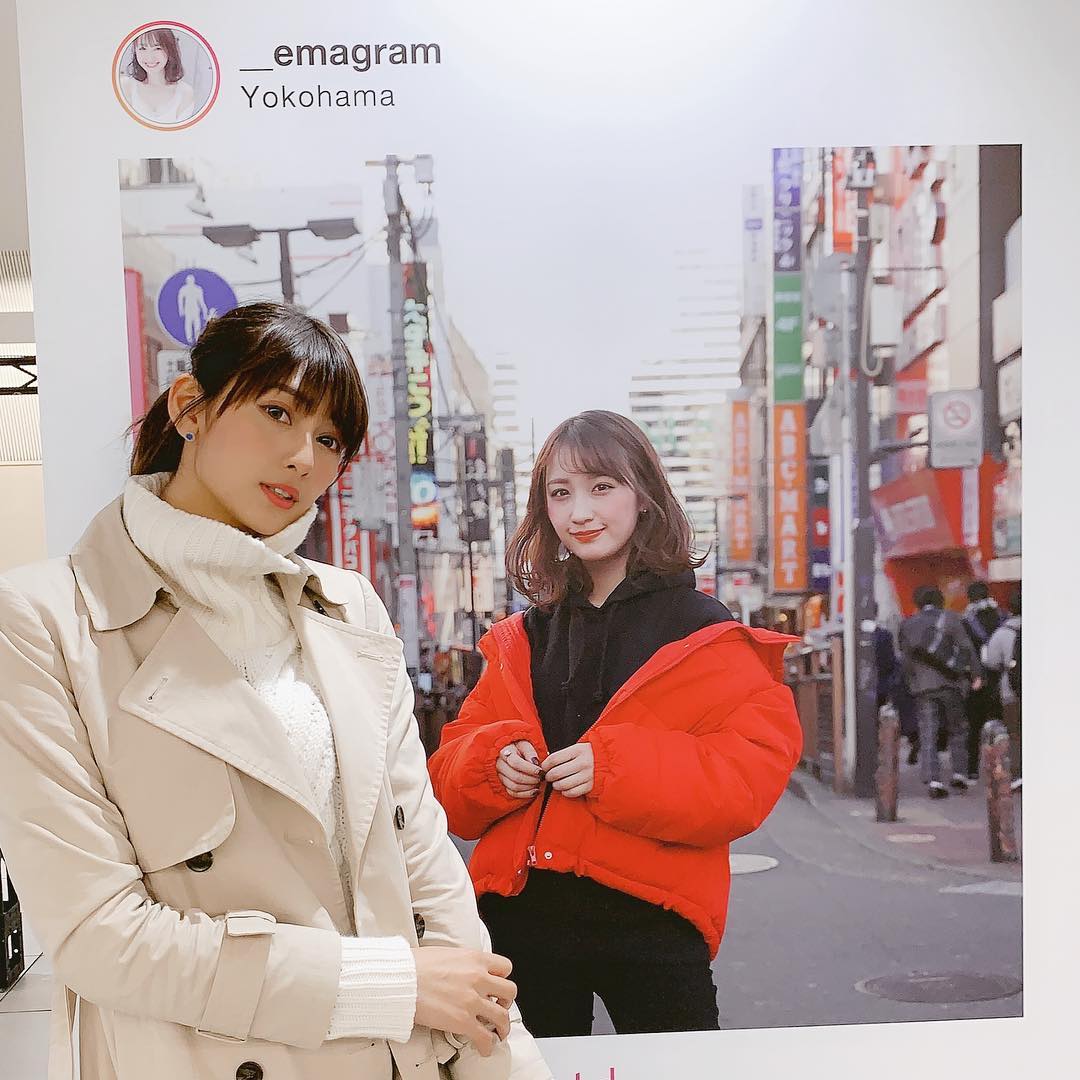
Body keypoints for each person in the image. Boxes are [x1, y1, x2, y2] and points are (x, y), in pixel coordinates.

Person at [0, 303, 550, 1080]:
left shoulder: (347, 607)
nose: (302, 458)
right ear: (189, 406)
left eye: (329, 439)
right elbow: (99, 935)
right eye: (278, 412)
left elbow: (425, 869)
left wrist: (503, 1057)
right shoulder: (45, 620)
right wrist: (388, 987)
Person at [428, 410, 803, 1038]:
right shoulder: (522, 637)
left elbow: (748, 775)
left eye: (602, 487)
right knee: (523, 1074)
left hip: (654, 919)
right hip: (521, 916)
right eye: (560, 492)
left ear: (644, 495)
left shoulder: (704, 632)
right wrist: (493, 766)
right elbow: (447, 776)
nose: (580, 511)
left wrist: (613, 769)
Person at [898, 585, 982, 799]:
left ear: (918, 603)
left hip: (923, 686)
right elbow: (966, 648)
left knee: (928, 732)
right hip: (951, 683)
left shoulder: (908, 624)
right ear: (940, 601)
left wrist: (911, 682)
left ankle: (933, 779)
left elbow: (905, 659)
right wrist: (976, 674)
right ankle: (959, 773)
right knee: (957, 729)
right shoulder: (951, 619)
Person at [961, 582, 1005, 778]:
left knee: (974, 726)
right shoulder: (1002, 617)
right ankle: (1001, 766)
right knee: (1001, 723)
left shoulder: (966, 621)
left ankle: (972, 770)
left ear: (969, 597)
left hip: (976, 679)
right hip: (1001, 678)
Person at [118, 27, 197, 125]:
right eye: (143, 48)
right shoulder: (125, 86)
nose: (150, 57)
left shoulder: (184, 93)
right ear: (135, 51)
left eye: (157, 48)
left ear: (170, 50)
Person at [985, 590, 1022, 791]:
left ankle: (1019, 774)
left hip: (1011, 690)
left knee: (1015, 733)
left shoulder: (1002, 633)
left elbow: (992, 662)